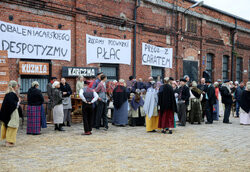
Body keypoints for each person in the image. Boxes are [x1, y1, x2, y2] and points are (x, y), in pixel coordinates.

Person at [0, 80, 21, 147]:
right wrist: (19, 102)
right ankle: (9, 141)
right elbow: (13, 105)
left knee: (8, 126)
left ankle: (8, 141)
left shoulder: (8, 94)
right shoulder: (12, 94)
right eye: (17, 85)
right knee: (12, 126)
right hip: (12, 113)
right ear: (15, 86)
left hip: (7, 113)